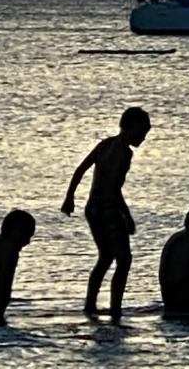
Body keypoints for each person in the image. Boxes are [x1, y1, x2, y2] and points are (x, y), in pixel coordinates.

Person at [62, 105, 151, 320]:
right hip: (106, 210)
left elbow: (80, 169)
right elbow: (112, 188)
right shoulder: (123, 153)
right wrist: (126, 216)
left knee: (105, 257)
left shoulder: (105, 144)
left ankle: (90, 304)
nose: (143, 137)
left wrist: (70, 197)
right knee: (124, 259)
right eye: (141, 132)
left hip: (92, 208)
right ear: (128, 128)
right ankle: (115, 309)